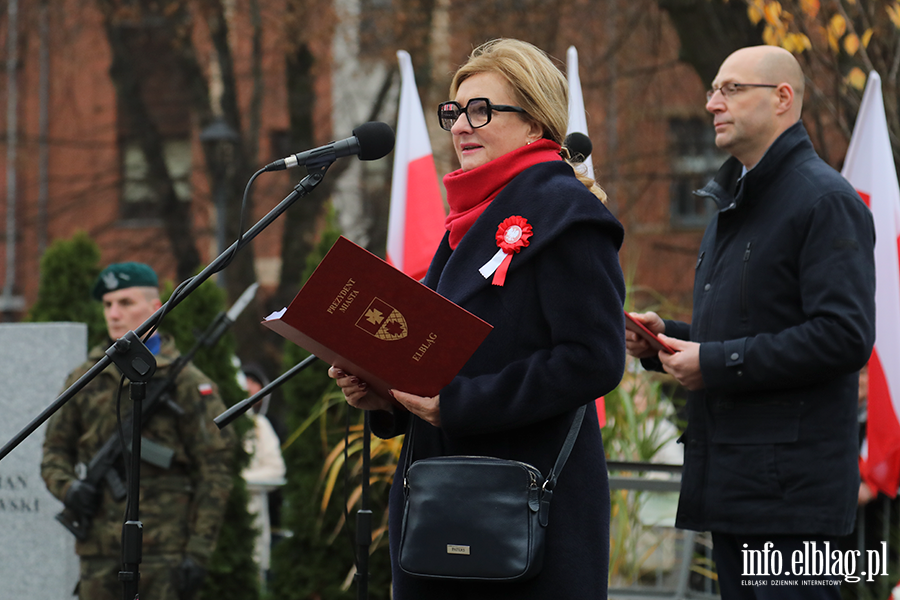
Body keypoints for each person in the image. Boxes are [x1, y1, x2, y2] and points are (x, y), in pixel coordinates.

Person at [329, 38, 626, 599]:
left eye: (482, 110)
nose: (462, 125)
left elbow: (594, 359)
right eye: (455, 112)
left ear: (536, 121)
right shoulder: (465, 222)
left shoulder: (568, 215)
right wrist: (386, 395)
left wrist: (458, 404)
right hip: (443, 502)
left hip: (525, 510)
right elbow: (441, 354)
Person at [625, 46, 876, 599]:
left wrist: (711, 363)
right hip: (738, 485)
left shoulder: (825, 200)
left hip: (792, 498)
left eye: (731, 89)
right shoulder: (734, 204)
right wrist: (664, 338)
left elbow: (844, 335)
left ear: (782, 98)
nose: (713, 102)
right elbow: (746, 333)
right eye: (714, 89)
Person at [41, 262, 237, 600]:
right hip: (99, 553)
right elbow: (54, 452)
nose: (114, 314)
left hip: (164, 554)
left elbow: (215, 469)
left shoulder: (188, 383)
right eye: (107, 304)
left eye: (126, 303)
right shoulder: (84, 379)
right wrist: (69, 490)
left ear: (155, 308)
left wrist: (198, 551)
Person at [239, 364, 286, 587]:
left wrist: (239, 480)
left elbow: (276, 470)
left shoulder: (259, 426)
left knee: (253, 577)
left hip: (252, 511)